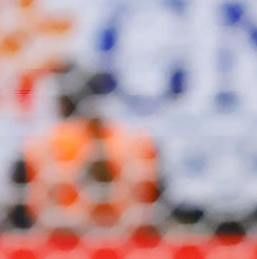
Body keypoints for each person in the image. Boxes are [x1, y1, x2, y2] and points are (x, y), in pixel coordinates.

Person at [12, 65, 161, 230]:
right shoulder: (137, 142)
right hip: (124, 236)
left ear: (63, 102)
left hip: (61, 238)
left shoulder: (42, 145)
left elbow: (23, 210)